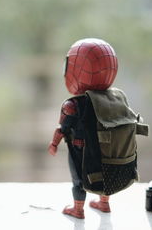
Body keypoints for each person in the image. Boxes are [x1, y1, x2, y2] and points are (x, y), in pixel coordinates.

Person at [48, 38, 118, 219]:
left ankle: (78, 209)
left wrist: (54, 144)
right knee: (105, 172)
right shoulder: (112, 99)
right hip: (104, 145)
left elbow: (62, 128)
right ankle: (104, 203)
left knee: (79, 177)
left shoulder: (72, 105)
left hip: (80, 148)